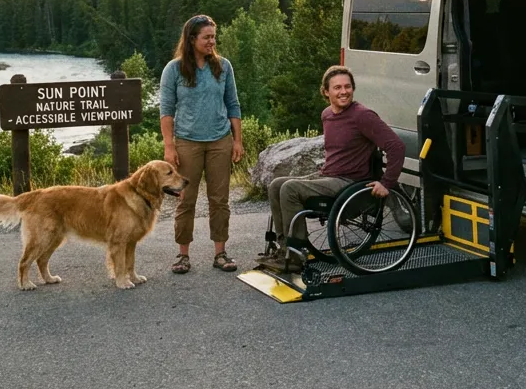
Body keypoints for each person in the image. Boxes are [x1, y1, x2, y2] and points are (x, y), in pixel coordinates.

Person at [256, 65, 404, 273]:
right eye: (337, 88)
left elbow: (396, 146)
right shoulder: (327, 115)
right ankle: (284, 249)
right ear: (326, 92)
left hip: (350, 182)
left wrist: (387, 182)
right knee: (276, 184)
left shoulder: (363, 116)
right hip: (329, 176)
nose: (343, 91)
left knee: (290, 188)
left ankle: (296, 254)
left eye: (348, 86)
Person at [160, 14, 244, 274]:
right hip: (187, 143)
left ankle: (220, 253)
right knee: (186, 200)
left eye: (213, 37)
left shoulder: (223, 67)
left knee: (220, 200)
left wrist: (237, 140)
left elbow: (233, 103)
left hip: (220, 140)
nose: (212, 41)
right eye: (207, 37)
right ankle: (183, 255)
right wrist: (169, 146)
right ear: (192, 39)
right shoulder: (173, 69)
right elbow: (166, 110)